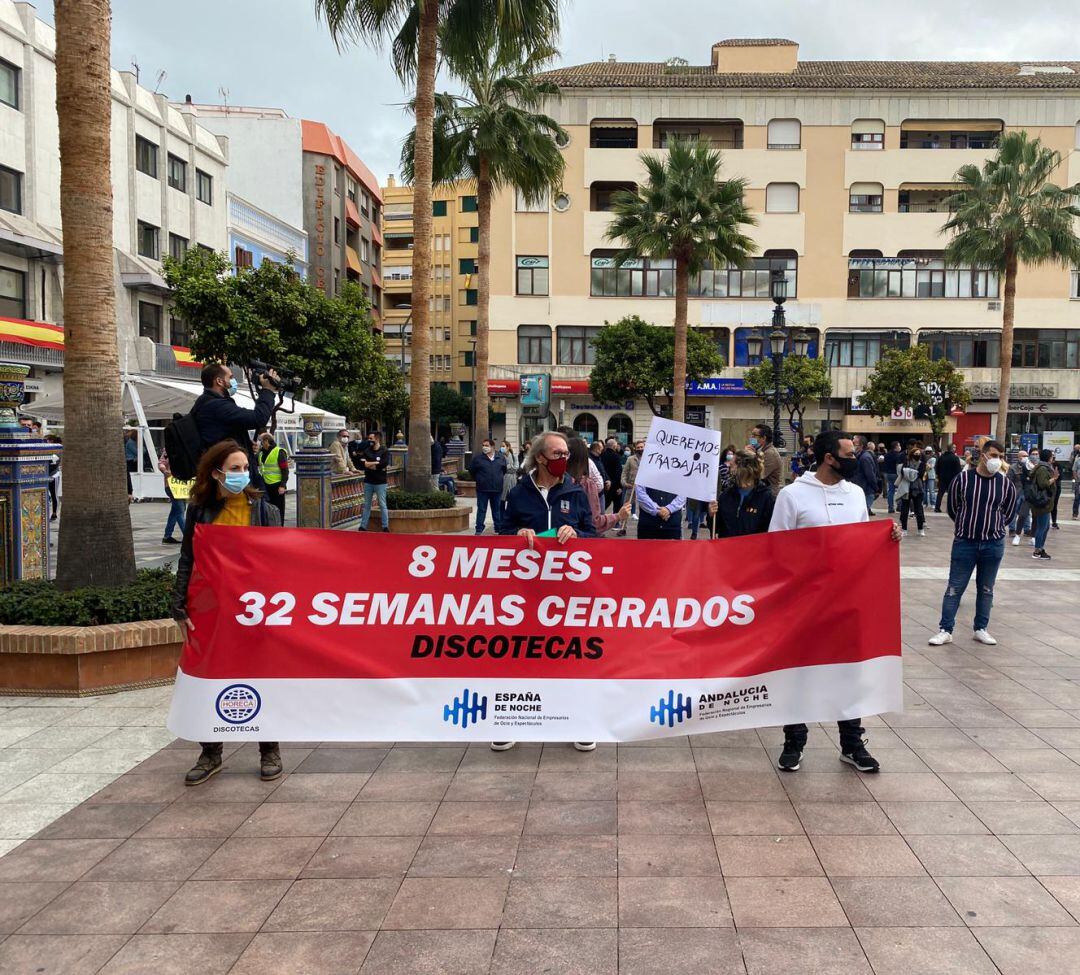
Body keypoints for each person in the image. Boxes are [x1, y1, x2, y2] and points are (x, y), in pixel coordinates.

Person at [769, 429, 903, 774]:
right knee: (799, 674)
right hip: (804, 603)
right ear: (829, 458)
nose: (855, 458)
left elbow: (862, 542)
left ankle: (852, 744)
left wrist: (887, 538)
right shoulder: (792, 495)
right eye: (849, 453)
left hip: (846, 600)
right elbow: (775, 547)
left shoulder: (855, 494)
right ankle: (794, 742)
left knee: (848, 671)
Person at [172, 439, 282, 785]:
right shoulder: (200, 510)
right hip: (211, 609)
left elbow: (277, 562)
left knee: (261, 674)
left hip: (254, 609)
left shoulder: (264, 510)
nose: (242, 474)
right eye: (235, 468)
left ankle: (269, 748)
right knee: (210, 675)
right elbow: (188, 557)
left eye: (245, 468)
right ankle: (210, 752)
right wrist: (178, 605)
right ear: (216, 472)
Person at [495, 431, 596, 754]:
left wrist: (576, 533)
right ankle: (510, 722)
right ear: (540, 457)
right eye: (557, 454)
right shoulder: (518, 492)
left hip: (567, 593)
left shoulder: (576, 492)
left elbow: (593, 536)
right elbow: (502, 531)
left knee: (572, 657)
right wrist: (517, 534)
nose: (564, 459)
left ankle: (579, 722)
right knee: (520, 655)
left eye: (566, 453)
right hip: (526, 592)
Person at [928, 439, 1018, 647]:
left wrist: (993, 527)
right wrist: (967, 525)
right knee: (954, 588)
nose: (997, 460)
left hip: (993, 544)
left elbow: (1009, 513)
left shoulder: (1005, 484)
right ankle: (945, 630)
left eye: (1001, 457)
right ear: (983, 455)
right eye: (994, 455)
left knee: (986, 589)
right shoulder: (963, 479)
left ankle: (981, 628)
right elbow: (953, 508)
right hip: (965, 543)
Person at [193, 363, 278, 487]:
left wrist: (245, 445)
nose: (233, 381)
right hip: (230, 476)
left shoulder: (207, 402)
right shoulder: (216, 405)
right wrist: (268, 391)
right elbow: (258, 418)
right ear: (219, 381)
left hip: (227, 471)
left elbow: (222, 434)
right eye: (230, 377)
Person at [568, 437, 630, 535]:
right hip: (579, 538)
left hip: (560, 536)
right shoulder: (585, 484)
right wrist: (618, 516)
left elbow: (603, 471)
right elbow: (595, 522)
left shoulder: (598, 459)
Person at [708, 449, 775, 537]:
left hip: (754, 545)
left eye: (732, 465)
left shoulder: (766, 498)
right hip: (728, 545)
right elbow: (716, 528)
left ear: (744, 469)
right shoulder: (726, 495)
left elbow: (770, 531)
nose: (729, 468)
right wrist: (711, 515)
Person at [469, 438, 507, 535]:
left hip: (497, 489)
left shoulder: (501, 458)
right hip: (482, 489)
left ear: (492, 447)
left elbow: (504, 470)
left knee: (496, 510)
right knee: (482, 509)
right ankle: (479, 529)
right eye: (483, 445)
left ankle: (498, 528)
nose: (484, 447)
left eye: (486, 445)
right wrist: (480, 480)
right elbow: (472, 471)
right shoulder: (478, 459)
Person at [359, 430, 391, 532]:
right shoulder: (367, 451)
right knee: (367, 505)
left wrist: (371, 464)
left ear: (377, 439)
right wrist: (376, 463)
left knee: (382, 504)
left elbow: (383, 464)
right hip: (368, 481)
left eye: (371, 438)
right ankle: (363, 526)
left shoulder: (384, 451)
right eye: (368, 438)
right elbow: (363, 464)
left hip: (380, 482)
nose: (369, 440)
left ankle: (385, 526)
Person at [1028, 449, 1057, 561]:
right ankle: (1037, 551)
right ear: (1049, 458)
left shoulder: (1043, 467)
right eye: (1052, 456)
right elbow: (1043, 484)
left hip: (1045, 502)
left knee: (1045, 527)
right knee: (1042, 527)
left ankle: (1040, 548)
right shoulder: (1043, 469)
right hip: (1042, 502)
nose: (1053, 458)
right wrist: (1054, 479)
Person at [894, 444, 927, 537]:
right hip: (907, 489)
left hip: (918, 489)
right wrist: (913, 473)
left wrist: (909, 472)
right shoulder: (906, 461)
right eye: (916, 454)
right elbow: (902, 472)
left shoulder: (922, 464)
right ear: (912, 454)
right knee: (905, 510)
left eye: (919, 454)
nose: (918, 455)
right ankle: (904, 529)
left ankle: (920, 529)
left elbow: (921, 474)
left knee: (918, 510)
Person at [158, 441, 186, 544]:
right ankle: (188, 536)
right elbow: (161, 463)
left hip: (182, 485)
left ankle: (167, 536)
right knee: (180, 510)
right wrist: (165, 471)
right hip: (172, 484)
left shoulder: (187, 448)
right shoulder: (170, 448)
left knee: (176, 510)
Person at [257, 433, 289, 523]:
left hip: (277, 486)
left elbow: (285, 470)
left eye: (261, 441)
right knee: (267, 509)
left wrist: (282, 485)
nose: (260, 444)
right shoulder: (261, 453)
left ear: (266, 441)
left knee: (278, 509)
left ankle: (279, 526)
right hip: (265, 485)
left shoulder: (279, 452)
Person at [618, 440, 644, 536]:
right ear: (635, 448)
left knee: (645, 508)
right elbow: (624, 473)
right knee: (626, 507)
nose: (640, 449)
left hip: (644, 488)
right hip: (631, 487)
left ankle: (643, 528)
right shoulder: (630, 459)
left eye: (642, 447)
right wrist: (625, 483)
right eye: (638, 447)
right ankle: (623, 528)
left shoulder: (649, 459)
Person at [851, 434, 881, 516]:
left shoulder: (865, 457)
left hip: (866, 490)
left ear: (861, 446)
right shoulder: (857, 455)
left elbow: (870, 475)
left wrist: (876, 488)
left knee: (861, 515)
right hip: (861, 489)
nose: (852, 446)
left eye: (854, 444)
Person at [750, 424, 782, 496]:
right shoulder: (761, 450)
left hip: (769, 495)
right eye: (751, 434)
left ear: (764, 438)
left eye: (754, 435)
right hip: (762, 492)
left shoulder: (770, 453)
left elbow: (757, 475)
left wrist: (750, 456)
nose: (751, 437)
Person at [1007, 450, 1031, 545]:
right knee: (1014, 512)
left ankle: (1027, 529)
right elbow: (1009, 481)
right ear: (1018, 457)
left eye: (1026, 455)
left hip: (1026, 492)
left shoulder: (1030, 467)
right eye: (1023, 456)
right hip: (1016, 492)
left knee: (1026, 512)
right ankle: (1012, 529)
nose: (1025, 457)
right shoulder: (1013, 467)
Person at [934, 442, 962, 513]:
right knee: (951, 494)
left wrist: (938, 476)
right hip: (952, 479)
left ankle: (937, 507)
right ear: (952, 449)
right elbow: (958, 470)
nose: (955, 449)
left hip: (942, 478)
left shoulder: (941, 457)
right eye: (954, 447)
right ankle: (949, 508)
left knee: (940, 493)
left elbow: (937, 467)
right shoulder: (955, 458)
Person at [600, 437, 624, 512]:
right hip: (615, 485)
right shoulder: (616, 456)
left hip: (604, 484)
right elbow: (618, 472)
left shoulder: (601, 455)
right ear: (614, 446)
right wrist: (620, 486)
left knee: (604, 505)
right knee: (617, 507)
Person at [882, 441, 903, 513]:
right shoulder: (898, 455)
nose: (900, 447)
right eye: (899, 445)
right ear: (896, 447)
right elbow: (898, 465)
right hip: (896, 474)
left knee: (891, 491)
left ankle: (890, 507)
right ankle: (899, 506)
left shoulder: (887, 455)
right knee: (900, 490)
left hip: (888, 474)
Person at [45, 434, 61, 522]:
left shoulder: (56, 452)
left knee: (54, 494)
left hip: (54, 476)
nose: (45, 442)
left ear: (51, 441)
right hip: (46, 476)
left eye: (46, 440)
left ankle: (54, 513)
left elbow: (53, 465)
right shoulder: (47, 451)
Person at [500, 440, 518, 505]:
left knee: (512, 499)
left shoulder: (514, 456)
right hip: (503, 479)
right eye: (501, 446)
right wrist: (510, 466)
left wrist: (507, 467)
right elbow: (500, 468)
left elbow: (516, 468)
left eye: (503, 446)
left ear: (508, 447)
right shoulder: (500, 457)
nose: (501, 448)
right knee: (502, 500)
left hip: (512, 479)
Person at [1072, 445, 1080, 520]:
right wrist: (1076, 479)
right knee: (1077, 498)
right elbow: (1074, 470)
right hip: (1078, 481)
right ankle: (1075, 513)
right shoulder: (1077, 459)